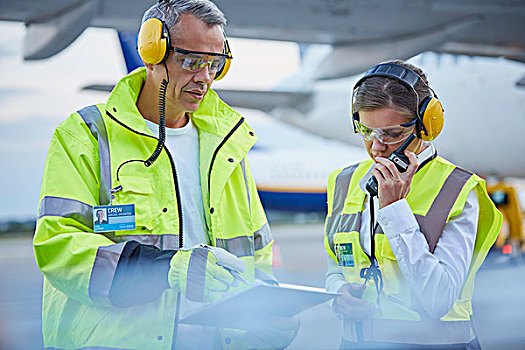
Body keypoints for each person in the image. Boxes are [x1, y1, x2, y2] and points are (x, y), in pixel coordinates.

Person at [33, 1, 298, 349]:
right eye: (191, 62)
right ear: (151, 52)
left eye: (215, 65)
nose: (204, 77)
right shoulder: (86, 134)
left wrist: (267, 315)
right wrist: (163, 270)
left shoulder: (228, 145)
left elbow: (258, 251)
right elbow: (59, 247)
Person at [324, 60, 502, 349]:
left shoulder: (457, 189)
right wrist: (339, 292)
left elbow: (439, 299)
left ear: (426, 126)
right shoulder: (343, 182)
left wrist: (395, 209)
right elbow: (336, 265)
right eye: (366, 130)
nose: (377, 146)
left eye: (392, 134)